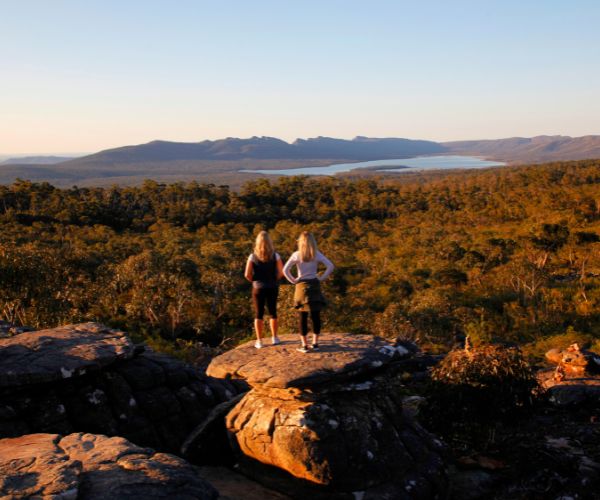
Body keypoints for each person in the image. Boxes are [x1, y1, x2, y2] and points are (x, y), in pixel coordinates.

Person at [283, 231, 334, 353]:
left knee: (303, 316)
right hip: (314, 284)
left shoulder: (296, 255)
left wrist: (294, 281)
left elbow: (285, 270)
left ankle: (304, 345)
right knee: (316, 315)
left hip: (301, 286)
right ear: (312, 242)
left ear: (300, 242)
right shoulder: (316, 254)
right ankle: (315, 343)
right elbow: (330, 266)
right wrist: (321, 278)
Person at [244, 231, 284, 349]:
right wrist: (274, 279)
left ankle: (259, 341)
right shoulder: (276, 255)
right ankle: (275, 338)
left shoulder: (252, 256)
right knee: (273, 313)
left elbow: (247, 274)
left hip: (258, 288)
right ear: (269, 242)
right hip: (272, 287)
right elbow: (281, 272)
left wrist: (254, 281)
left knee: (258, 314)